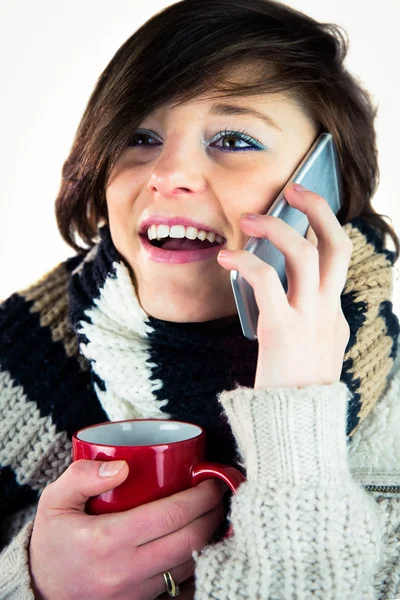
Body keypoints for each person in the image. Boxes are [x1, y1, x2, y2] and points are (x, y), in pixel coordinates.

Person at [1, 0, 400, 598]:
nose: (167, 172)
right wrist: (31, 583)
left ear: (325, 186)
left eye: (234, 139)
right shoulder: (16, 358)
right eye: (140, 136)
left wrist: (296, 413)